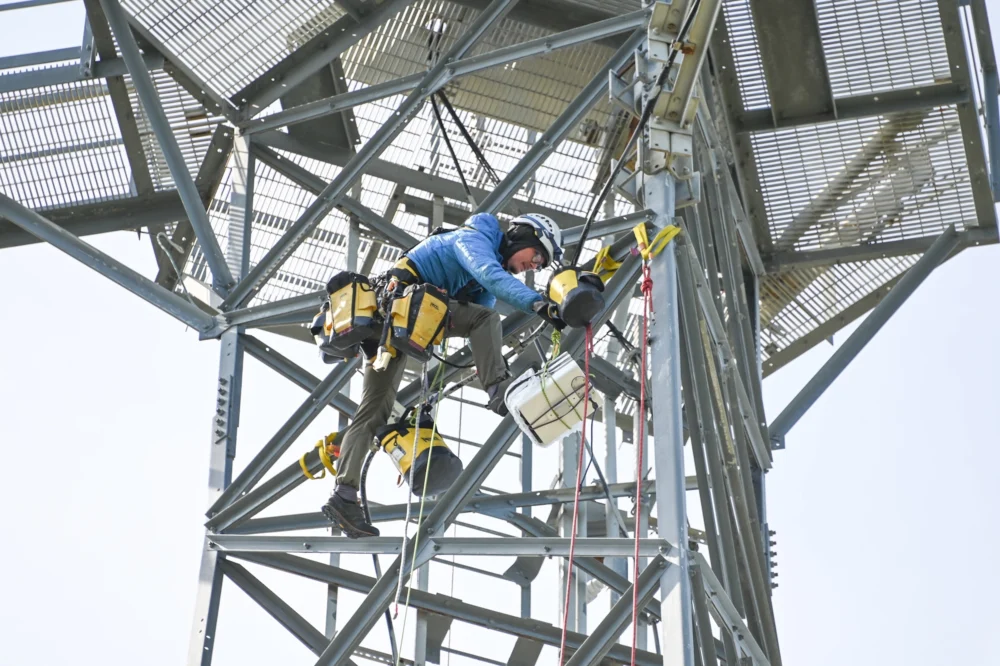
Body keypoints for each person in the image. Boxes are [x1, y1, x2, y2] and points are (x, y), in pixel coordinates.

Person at [322, 212, 567, 538]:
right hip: (404, 305)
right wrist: (539, 305)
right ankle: (497, 389)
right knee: (487, 320)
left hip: (394, 319)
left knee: (374, 410)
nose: (534, 265)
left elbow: (481, 300)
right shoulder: (476, 235)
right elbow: (488, 280)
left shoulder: (479, 268)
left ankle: (344, 495)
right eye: (537, 255)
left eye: (540, 264)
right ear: (524, 236)